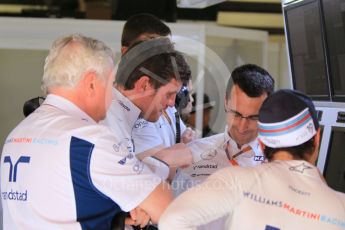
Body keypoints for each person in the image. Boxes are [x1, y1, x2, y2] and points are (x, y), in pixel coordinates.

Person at [0, 34, 173, 230]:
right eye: (110, 85)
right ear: (91, 83)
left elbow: (54, 205)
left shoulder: (16, 135)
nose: (112, 95)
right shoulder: (89, 139)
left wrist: (114, 216)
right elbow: (166, 207)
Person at [159, 89, 345, 229]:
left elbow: (172, 220)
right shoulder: (340, 208)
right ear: (317, 138)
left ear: (262, 144)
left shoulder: (236, 180)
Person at [173, 64, 275, 196]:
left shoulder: (280, 162)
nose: (242, 126)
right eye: (236, 114)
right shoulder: (193, 155)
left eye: (253, 117)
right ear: (226, 102)